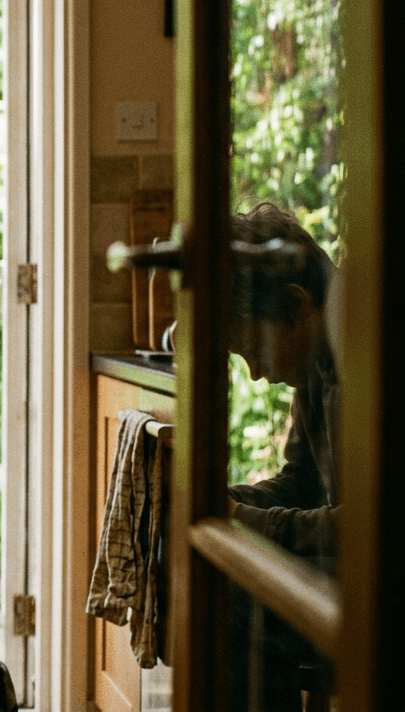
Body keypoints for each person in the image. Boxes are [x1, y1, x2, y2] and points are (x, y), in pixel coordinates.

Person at [223, 201, 339, 711]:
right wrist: (227, 500)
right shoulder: (315, 359)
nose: (253, 373)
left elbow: (378, 525)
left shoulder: (372, 358)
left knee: (233, 601)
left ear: (297, 305)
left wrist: (245, 522)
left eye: (254, 349)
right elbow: (300, 480)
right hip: (350, 569)